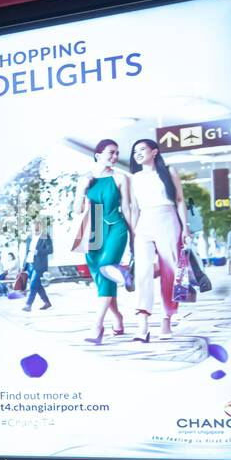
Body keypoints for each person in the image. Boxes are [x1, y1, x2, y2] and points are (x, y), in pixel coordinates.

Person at [128, 138, 189, 341]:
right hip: (144, 223)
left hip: (168, 219)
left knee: (170, 270)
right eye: (135, 151)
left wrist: (185, 228)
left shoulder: (169, 171)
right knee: (142, 271)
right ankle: (142, 324)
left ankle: (166, 318)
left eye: (142, 149)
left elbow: (179, 200)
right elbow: (134, 208)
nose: (137, 154)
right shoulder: (134, 177)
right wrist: (134, 233)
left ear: (154, 151)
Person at [72, 139, 131, 344]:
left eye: (117, 153)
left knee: (107, 269)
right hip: (92, 229)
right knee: (101, 277)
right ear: (98, 155)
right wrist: (82, 188)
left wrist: (134, 236)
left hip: (116, 227)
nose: (115, 157)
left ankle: (97, 326)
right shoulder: (85, 179)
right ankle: (117, 317)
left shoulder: (120, 178)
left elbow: (127, 208)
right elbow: (77, 210)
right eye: (111, 152)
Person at [21, 218, 54, 311]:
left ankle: (28, 305)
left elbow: (50, 250)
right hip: (29, 264)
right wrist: (24, 265)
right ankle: (47, 302)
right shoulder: (29, 238)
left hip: (40, 265)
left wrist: (39, 252)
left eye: (37, 226)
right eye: (33, 227)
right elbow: (26, 252)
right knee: (37, 285)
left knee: (33, 284)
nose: (35, 228)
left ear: (40, 227)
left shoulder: (45, 237)